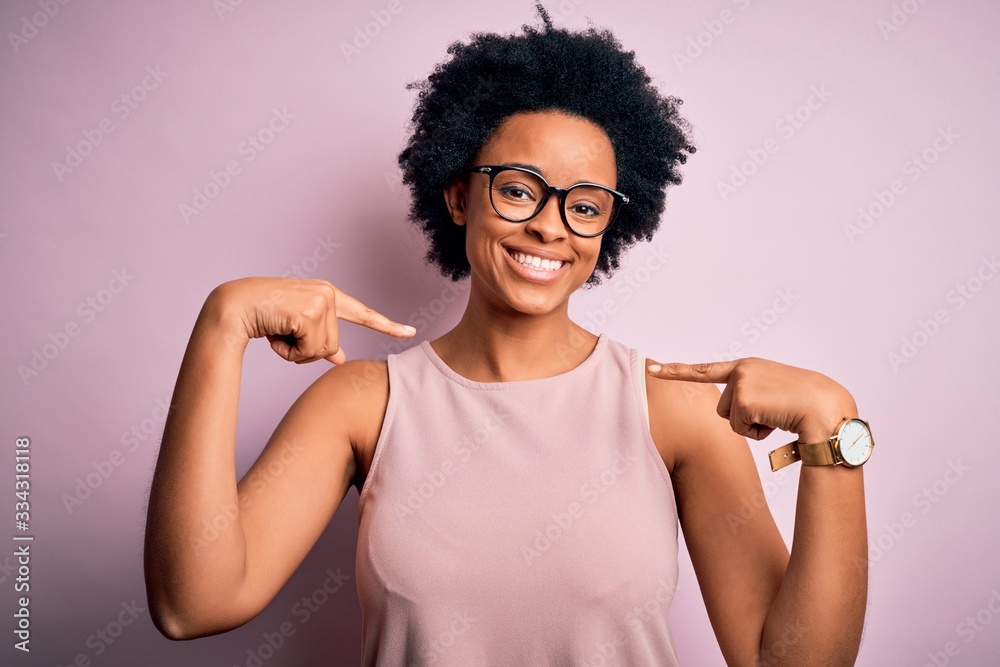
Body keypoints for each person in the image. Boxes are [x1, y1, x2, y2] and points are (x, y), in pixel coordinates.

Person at [143, 5, 870, 665]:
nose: (551, 225)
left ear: (611, 224)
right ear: (460, 196)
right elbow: (191, 603)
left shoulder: (675, 414)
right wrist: (222, 323)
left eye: (585, 205)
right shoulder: (361, 403)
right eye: (520, 188)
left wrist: (835, 430)